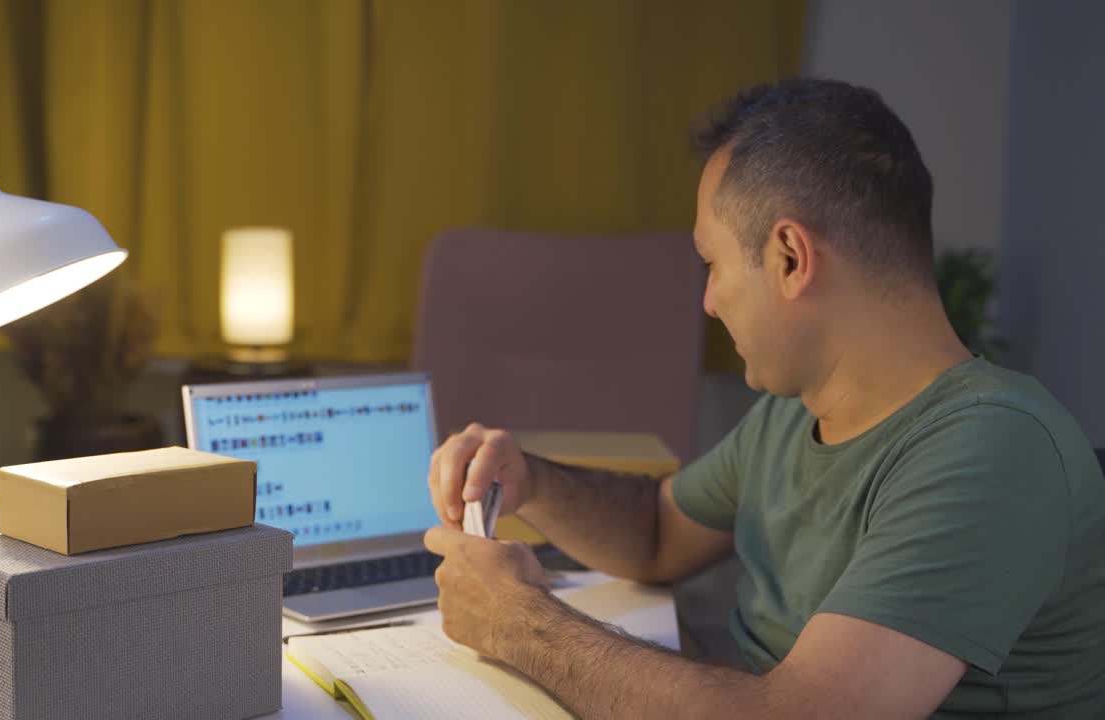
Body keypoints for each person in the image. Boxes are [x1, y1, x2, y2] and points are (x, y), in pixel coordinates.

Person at [423, 77, 1105, 718]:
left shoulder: (993, 449)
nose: (709, 302)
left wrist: (520, 623)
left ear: (788, 257)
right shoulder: (796, 409)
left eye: (712, 264)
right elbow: (659, 534)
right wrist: (531, 479)